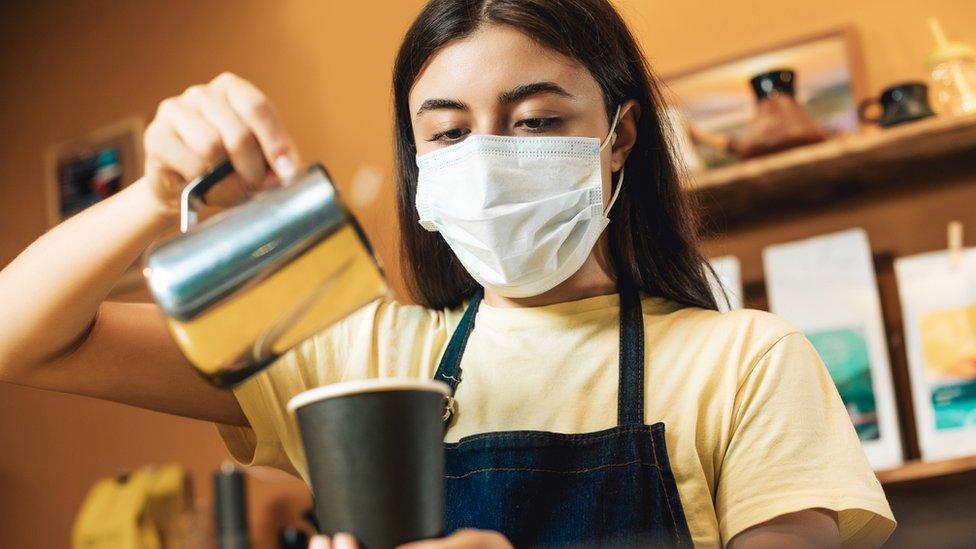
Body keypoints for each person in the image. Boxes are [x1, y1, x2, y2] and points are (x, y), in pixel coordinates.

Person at [0, 0, 895, 547]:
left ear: (617, 138)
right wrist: (158, 196)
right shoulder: (353, 354)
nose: (492, 155)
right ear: (421, 161)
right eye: (451, 132)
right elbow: (25, 337)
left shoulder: (744, 362)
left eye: (536, 121)